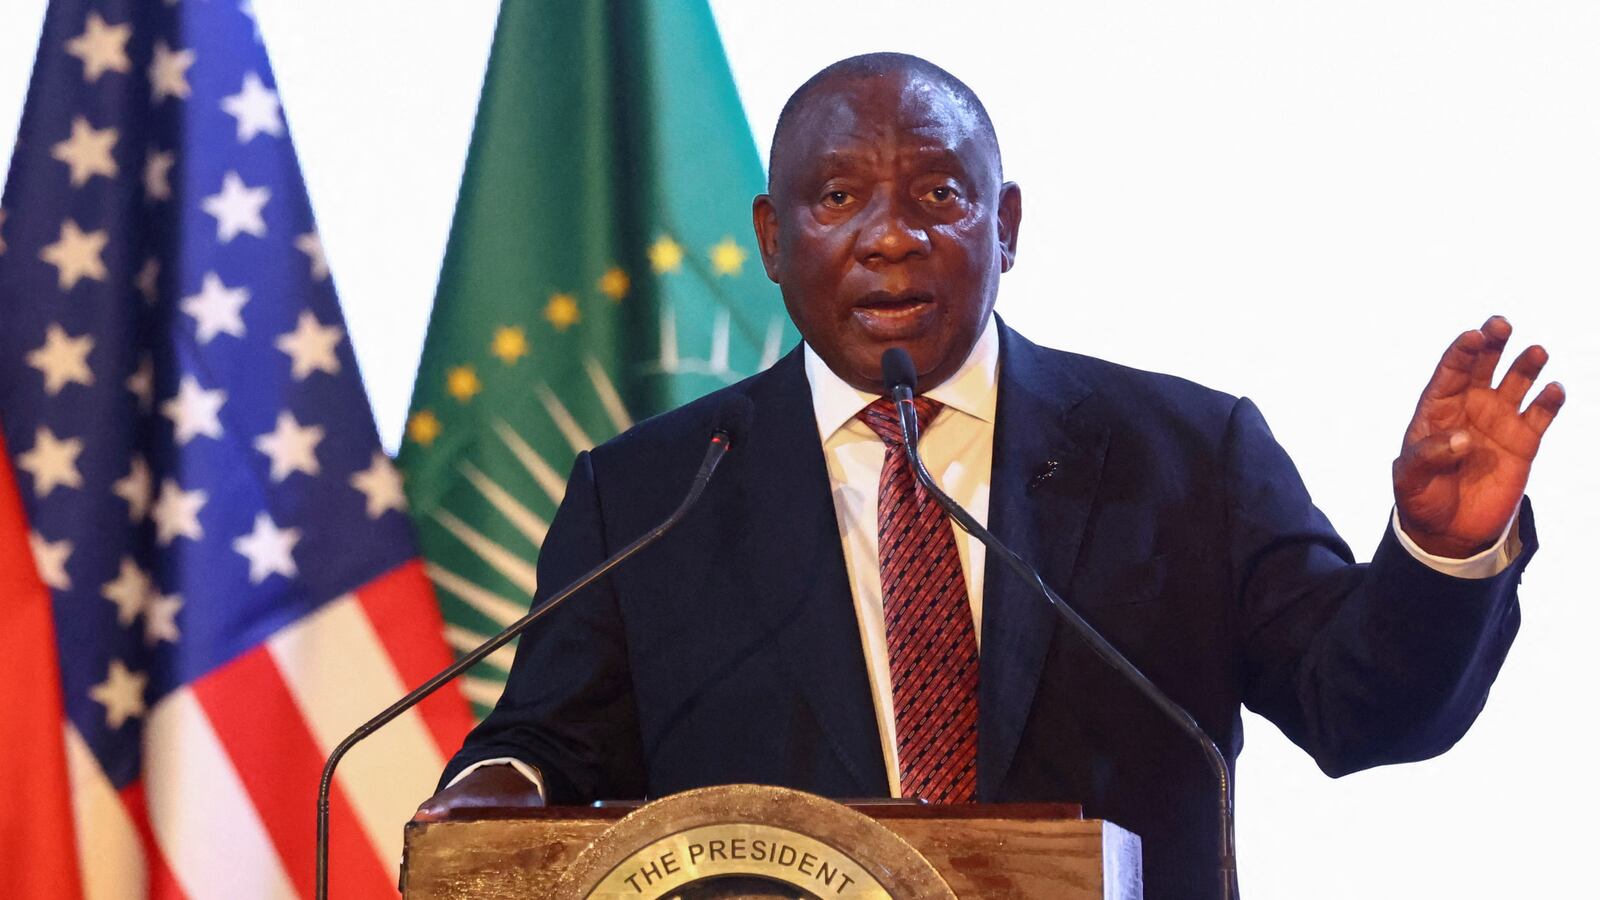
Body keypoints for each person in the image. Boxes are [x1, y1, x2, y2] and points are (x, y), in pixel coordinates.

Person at [416, 53, 1564, 898]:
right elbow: (548, 748)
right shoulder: (654, 493)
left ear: (1005, 226)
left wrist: (1439, 552)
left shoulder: (1185, 454)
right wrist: (493, 792)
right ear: (772, 239)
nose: (889, 236)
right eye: (835, 198)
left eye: (939, 195)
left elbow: (1359, 710)